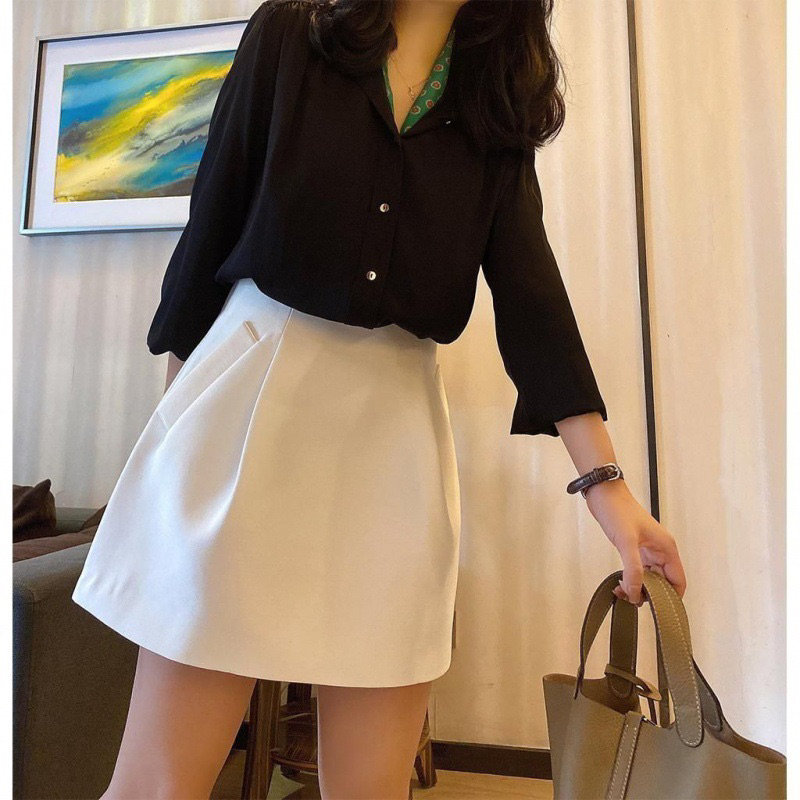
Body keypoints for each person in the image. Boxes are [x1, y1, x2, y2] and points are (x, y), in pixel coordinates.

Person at [71, 1, 688, 798]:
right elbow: (209, 230)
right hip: (246, 403)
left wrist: (609, 490)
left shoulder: (496, 96)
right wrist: (174, 434)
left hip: (393, 441)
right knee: (160, 786)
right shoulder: (290, 34)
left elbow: (532, 296)